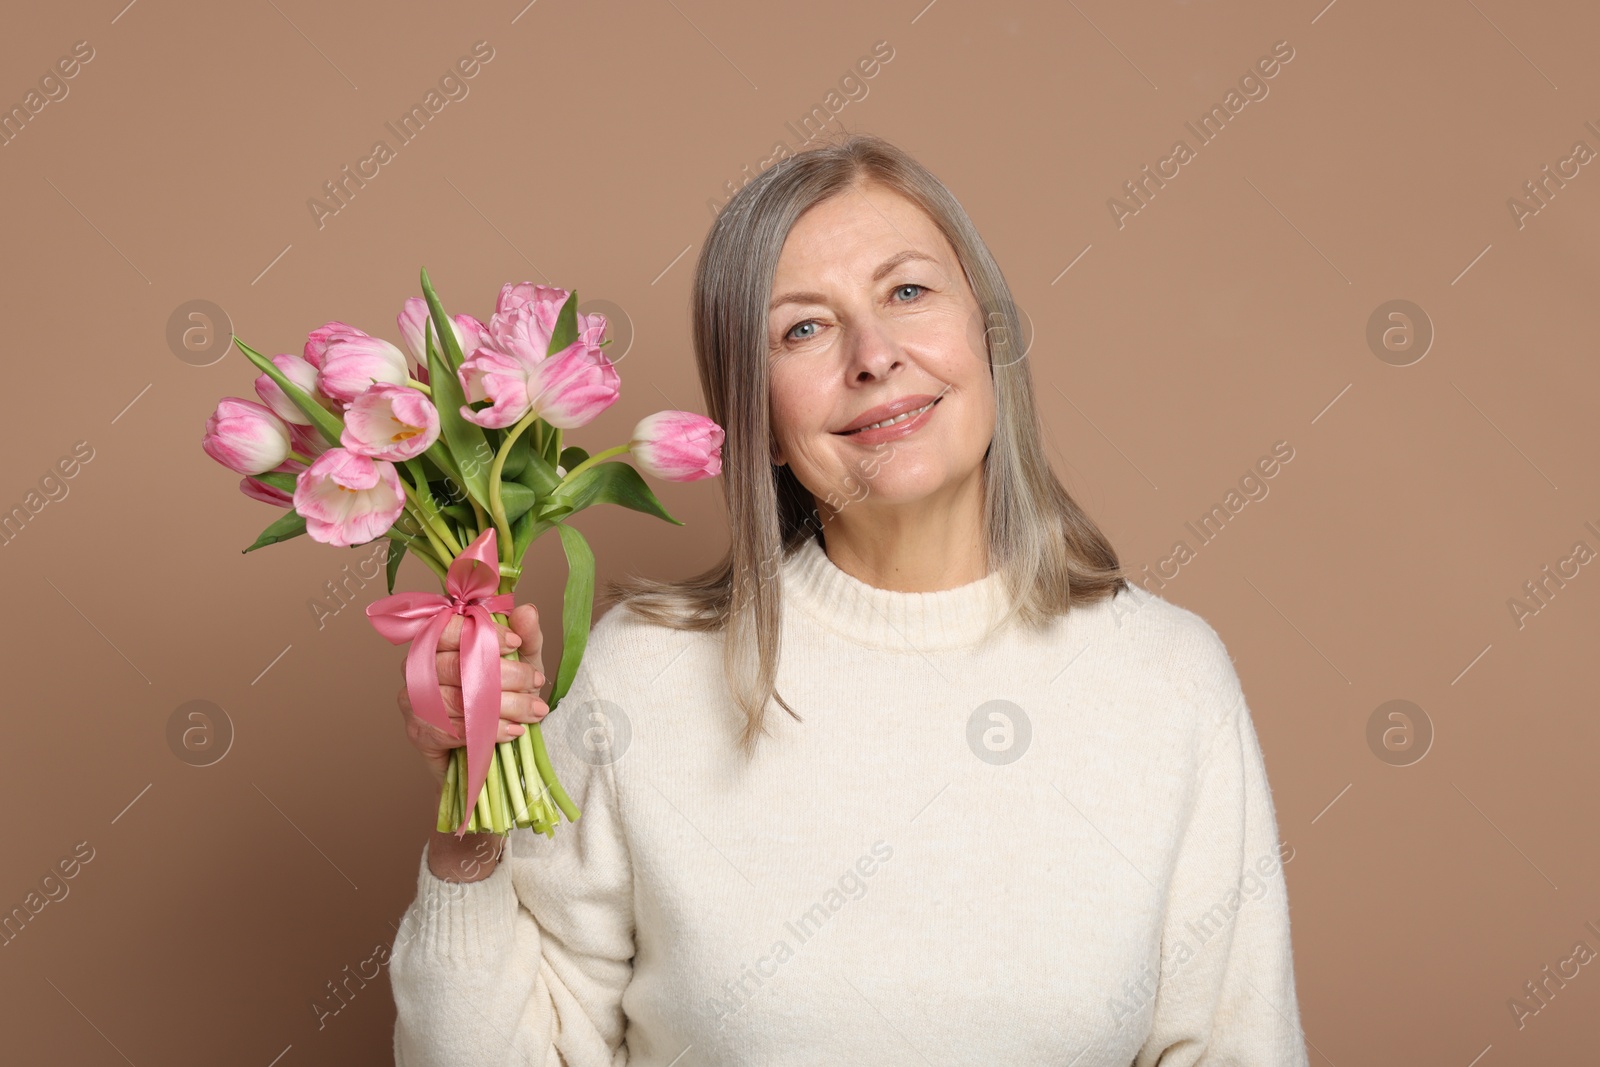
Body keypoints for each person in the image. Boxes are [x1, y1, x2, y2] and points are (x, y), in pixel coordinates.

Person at [387, 133, 1311, 1065]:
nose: (874, 356)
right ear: (762, 422)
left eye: (907, 292)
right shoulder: (641, 673)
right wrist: (472, 830)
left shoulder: (1166, 679)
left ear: (990, 335)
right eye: (803, 328)